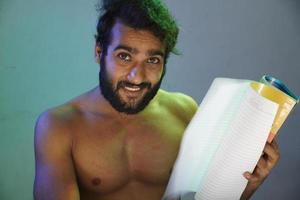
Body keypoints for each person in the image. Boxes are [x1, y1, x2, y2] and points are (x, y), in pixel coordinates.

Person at [33, 0, 280, 199]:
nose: (137, 77)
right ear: (100, 52)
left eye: (152, 60)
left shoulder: (184, 111)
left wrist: (249, 184)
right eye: (124, 56)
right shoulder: (59, 126)